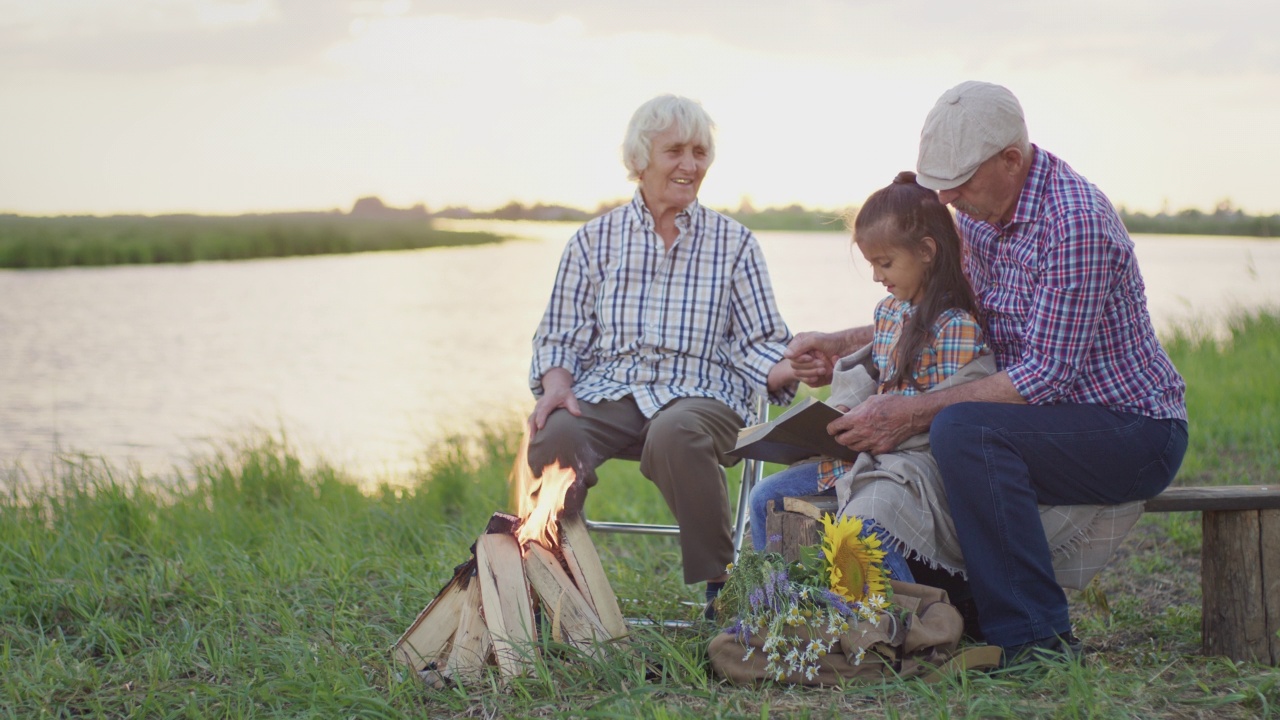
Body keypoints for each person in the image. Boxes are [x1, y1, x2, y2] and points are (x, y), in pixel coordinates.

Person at [788, 81, 1188, 665]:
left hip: (1131, 428)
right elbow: (934, 312)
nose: (949, 197)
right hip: (1042, 420)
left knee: (962, 430)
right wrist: (841, 342)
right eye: (942, 183)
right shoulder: (976, 214)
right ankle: (928, 611)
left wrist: (911, 411)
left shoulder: (1074, 222)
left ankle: (1037, 637)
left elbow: (1046, 375)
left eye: (963, 180)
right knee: (933, 437)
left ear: (1011, 159)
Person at [526, 95, 798, 609]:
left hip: (703, 393)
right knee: (555, 431)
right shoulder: (592, 241)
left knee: (676, 432)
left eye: (700, 151)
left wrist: (787, 366)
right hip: (611, 387)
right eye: (675, 150)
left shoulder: (735, 244)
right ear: (639, 160)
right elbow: (560, 335)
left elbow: (760, 340)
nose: (691, 165)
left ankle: (723, 586)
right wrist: (558, 387)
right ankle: (552, 578)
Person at [748, 172, 990, 588]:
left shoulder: (956, 328)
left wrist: (878, 426)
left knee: (864, 524)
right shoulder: (889, 312)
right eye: (872, 264)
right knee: (764, 496)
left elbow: (946, 417)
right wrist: (844, 413)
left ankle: (897, 626)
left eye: (885, 263)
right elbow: (876, 379)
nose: (878, 276)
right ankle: (778, 611)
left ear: (927, 251)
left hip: (912, 466)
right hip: (863, 455)